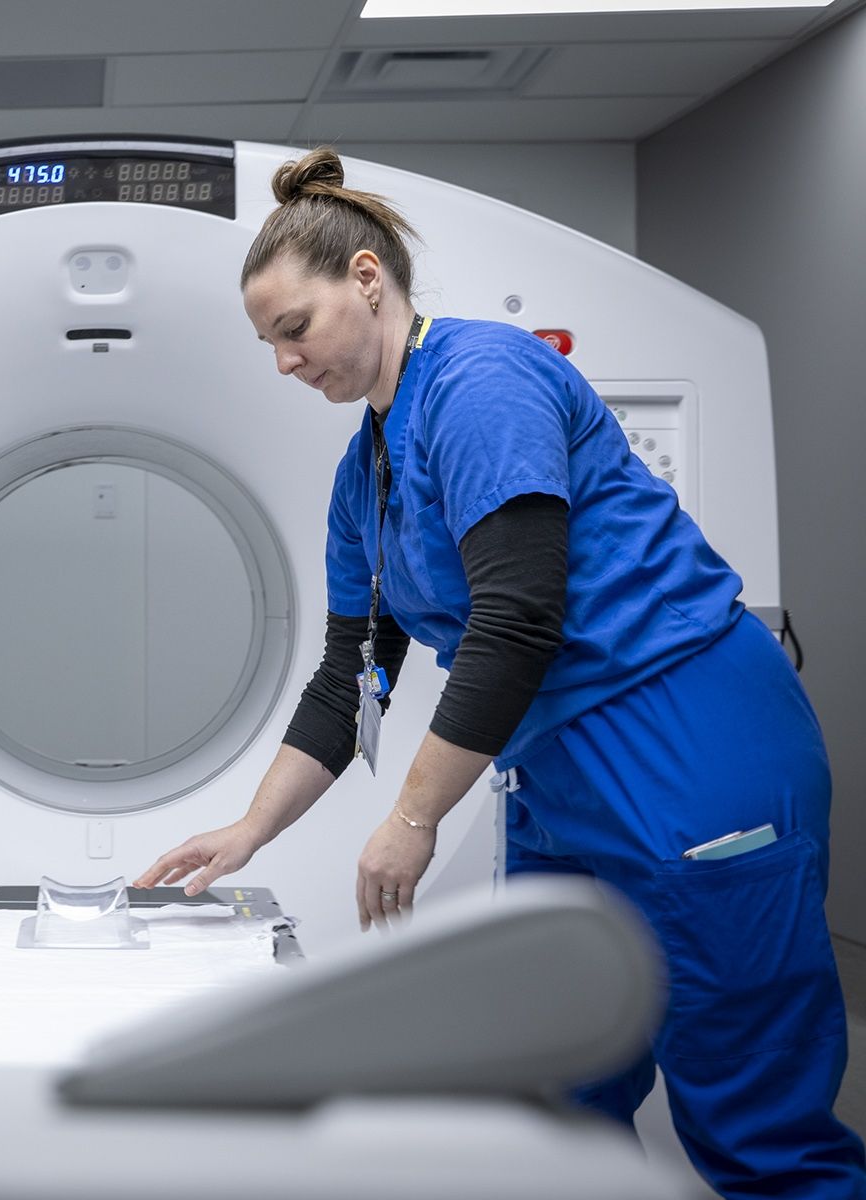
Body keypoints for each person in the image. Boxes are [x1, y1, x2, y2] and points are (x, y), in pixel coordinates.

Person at [135, 148, 863, 1199]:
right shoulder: (367, 468)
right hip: (560, 777)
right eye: (267, 345)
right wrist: (250, 831)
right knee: (556, 1101)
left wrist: (414, 818)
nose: (284, 364)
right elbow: (353, 673)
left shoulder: (484, 382)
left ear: (369, 280)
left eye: (293, 330)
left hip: (689, 739)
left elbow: (518, 620)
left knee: (751, 1113)